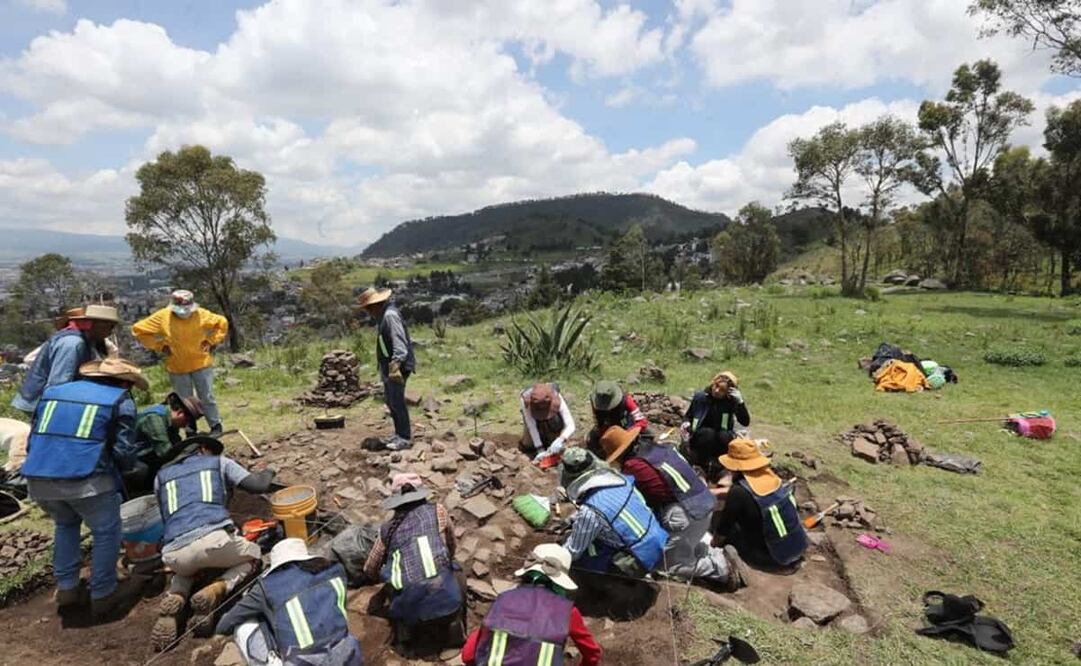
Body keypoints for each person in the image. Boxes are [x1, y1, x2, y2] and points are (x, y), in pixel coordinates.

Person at [20, 357, 144, 618]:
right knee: (106, 531)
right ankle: (104, 593)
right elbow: (123, 451)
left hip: (38, 476)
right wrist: (130, 471)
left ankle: (67, 588)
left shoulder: (52, 393)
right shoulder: (120, 400)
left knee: (65, 525)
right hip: (86, 479)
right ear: (124, 382)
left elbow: (34, 438)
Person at [152, 435, 276, 651]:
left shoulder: (160, 477)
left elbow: (166, 518)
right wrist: (270, 470)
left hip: (173, 552)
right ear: (203, 449)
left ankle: (177, 596)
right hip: (214, 541)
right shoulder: (219, 462)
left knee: (186, 568)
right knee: (255, 556)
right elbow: (259, 485)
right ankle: (216, 589)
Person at [599, 426, 747, 591]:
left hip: (686, 514)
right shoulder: (660, 448)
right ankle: (718, 555)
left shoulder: (633, 467)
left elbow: (639, 504)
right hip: (704, 504)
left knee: (666, 565)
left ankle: (723, 570)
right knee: (686, 545)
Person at [362, 472, 464, 658]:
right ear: (420, 494)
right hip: (447, 601)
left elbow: (370, 568)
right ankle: (454, 630)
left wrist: (382, 582)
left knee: (396, 585)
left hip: (411, 608)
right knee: (457, 573)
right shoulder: (438, 511)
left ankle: (406, 636)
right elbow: (451, 544)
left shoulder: (387, 529)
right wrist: (446, 560)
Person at [216, 538, 363, 665]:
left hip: (303, 662)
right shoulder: (335, 570)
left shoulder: (266, 587)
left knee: (244, 626)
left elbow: (225, 624)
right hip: (348, 653)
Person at [461, 544, 601, 666]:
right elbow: (593, 655)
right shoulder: (568, 613)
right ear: (559, 582)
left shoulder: (503, 600)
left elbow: (467, 655)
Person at [132, 289, 229, 435]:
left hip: (201, 363)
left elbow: (222, 322)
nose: (184, 312)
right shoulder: (163, 316)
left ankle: (215, 426)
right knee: (184, 402)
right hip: (177, 366)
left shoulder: (201, 314)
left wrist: (211, 341)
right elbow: (138, 330)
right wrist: (160, 346)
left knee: (207, 396)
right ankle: (190, 429)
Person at [559, 448, 667, 578]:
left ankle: (612, 585)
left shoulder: (590, 511)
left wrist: (556, 555)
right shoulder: (622, 481)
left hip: (639, 560)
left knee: (581, 560)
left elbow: (573, 552)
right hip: (661, 543)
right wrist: (574, 518)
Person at [713, 439, 807, 569]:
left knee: (719, 522)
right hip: (798, 547)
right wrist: (714, 492)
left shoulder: (738, 493)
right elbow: (749, 494)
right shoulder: (773, 479)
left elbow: (723, 530)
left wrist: (712, 546)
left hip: (770, 558)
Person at [12, 304, 120, 415]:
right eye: (109, 327)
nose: (110, 332)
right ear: (95, 325)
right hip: (41, 403)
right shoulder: (72, 344)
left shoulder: (88, 341)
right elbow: (58, 385)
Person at [356, 287, 416, 451]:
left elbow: (399, 341)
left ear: (375, 305)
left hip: (397, 365)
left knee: (397, 401)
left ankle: (404, 437)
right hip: (389, 366)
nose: (369, 312)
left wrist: (396, 364)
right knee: (391, 401)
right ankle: (399, 434)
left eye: (369, 308)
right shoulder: (384, 316)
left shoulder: (390, 316)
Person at [127, 393, 205, 495]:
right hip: (131, 460)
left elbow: (177, 445)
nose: (185, 426)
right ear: (180, 413)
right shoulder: (154, 419)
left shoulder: (170, 421)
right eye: (186, 421)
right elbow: (165, 452)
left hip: (148, 455)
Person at [682, 371, 750, 475]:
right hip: (700, 439)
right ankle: (701, 465)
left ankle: (719, 466)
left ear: (728, 392)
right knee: (708, 433)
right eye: (716, 386)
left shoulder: (730, 402)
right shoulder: (700, 397)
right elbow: (689, 416)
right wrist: (685, 424)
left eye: (722, 390)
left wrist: (740, 402)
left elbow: (745, 422)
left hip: (720, 441)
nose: (717, 391)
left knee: (724, 435)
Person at [584, 380, 648, 458]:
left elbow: (642, 421)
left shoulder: (626, 400)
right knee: (591, 442)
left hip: (626, 427)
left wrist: (627, 435)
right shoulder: (595, 401)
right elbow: (598, 422)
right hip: (608, 428)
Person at [519, 382, 575, 464]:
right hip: (533, 422)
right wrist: (539, 449)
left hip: (555, 420)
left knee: (557, 443)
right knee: (528, 444)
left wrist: (561, 439)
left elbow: (571, 425)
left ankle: (552, 436)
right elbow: (531, 425)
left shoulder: (556, 396)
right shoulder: (526, 400)